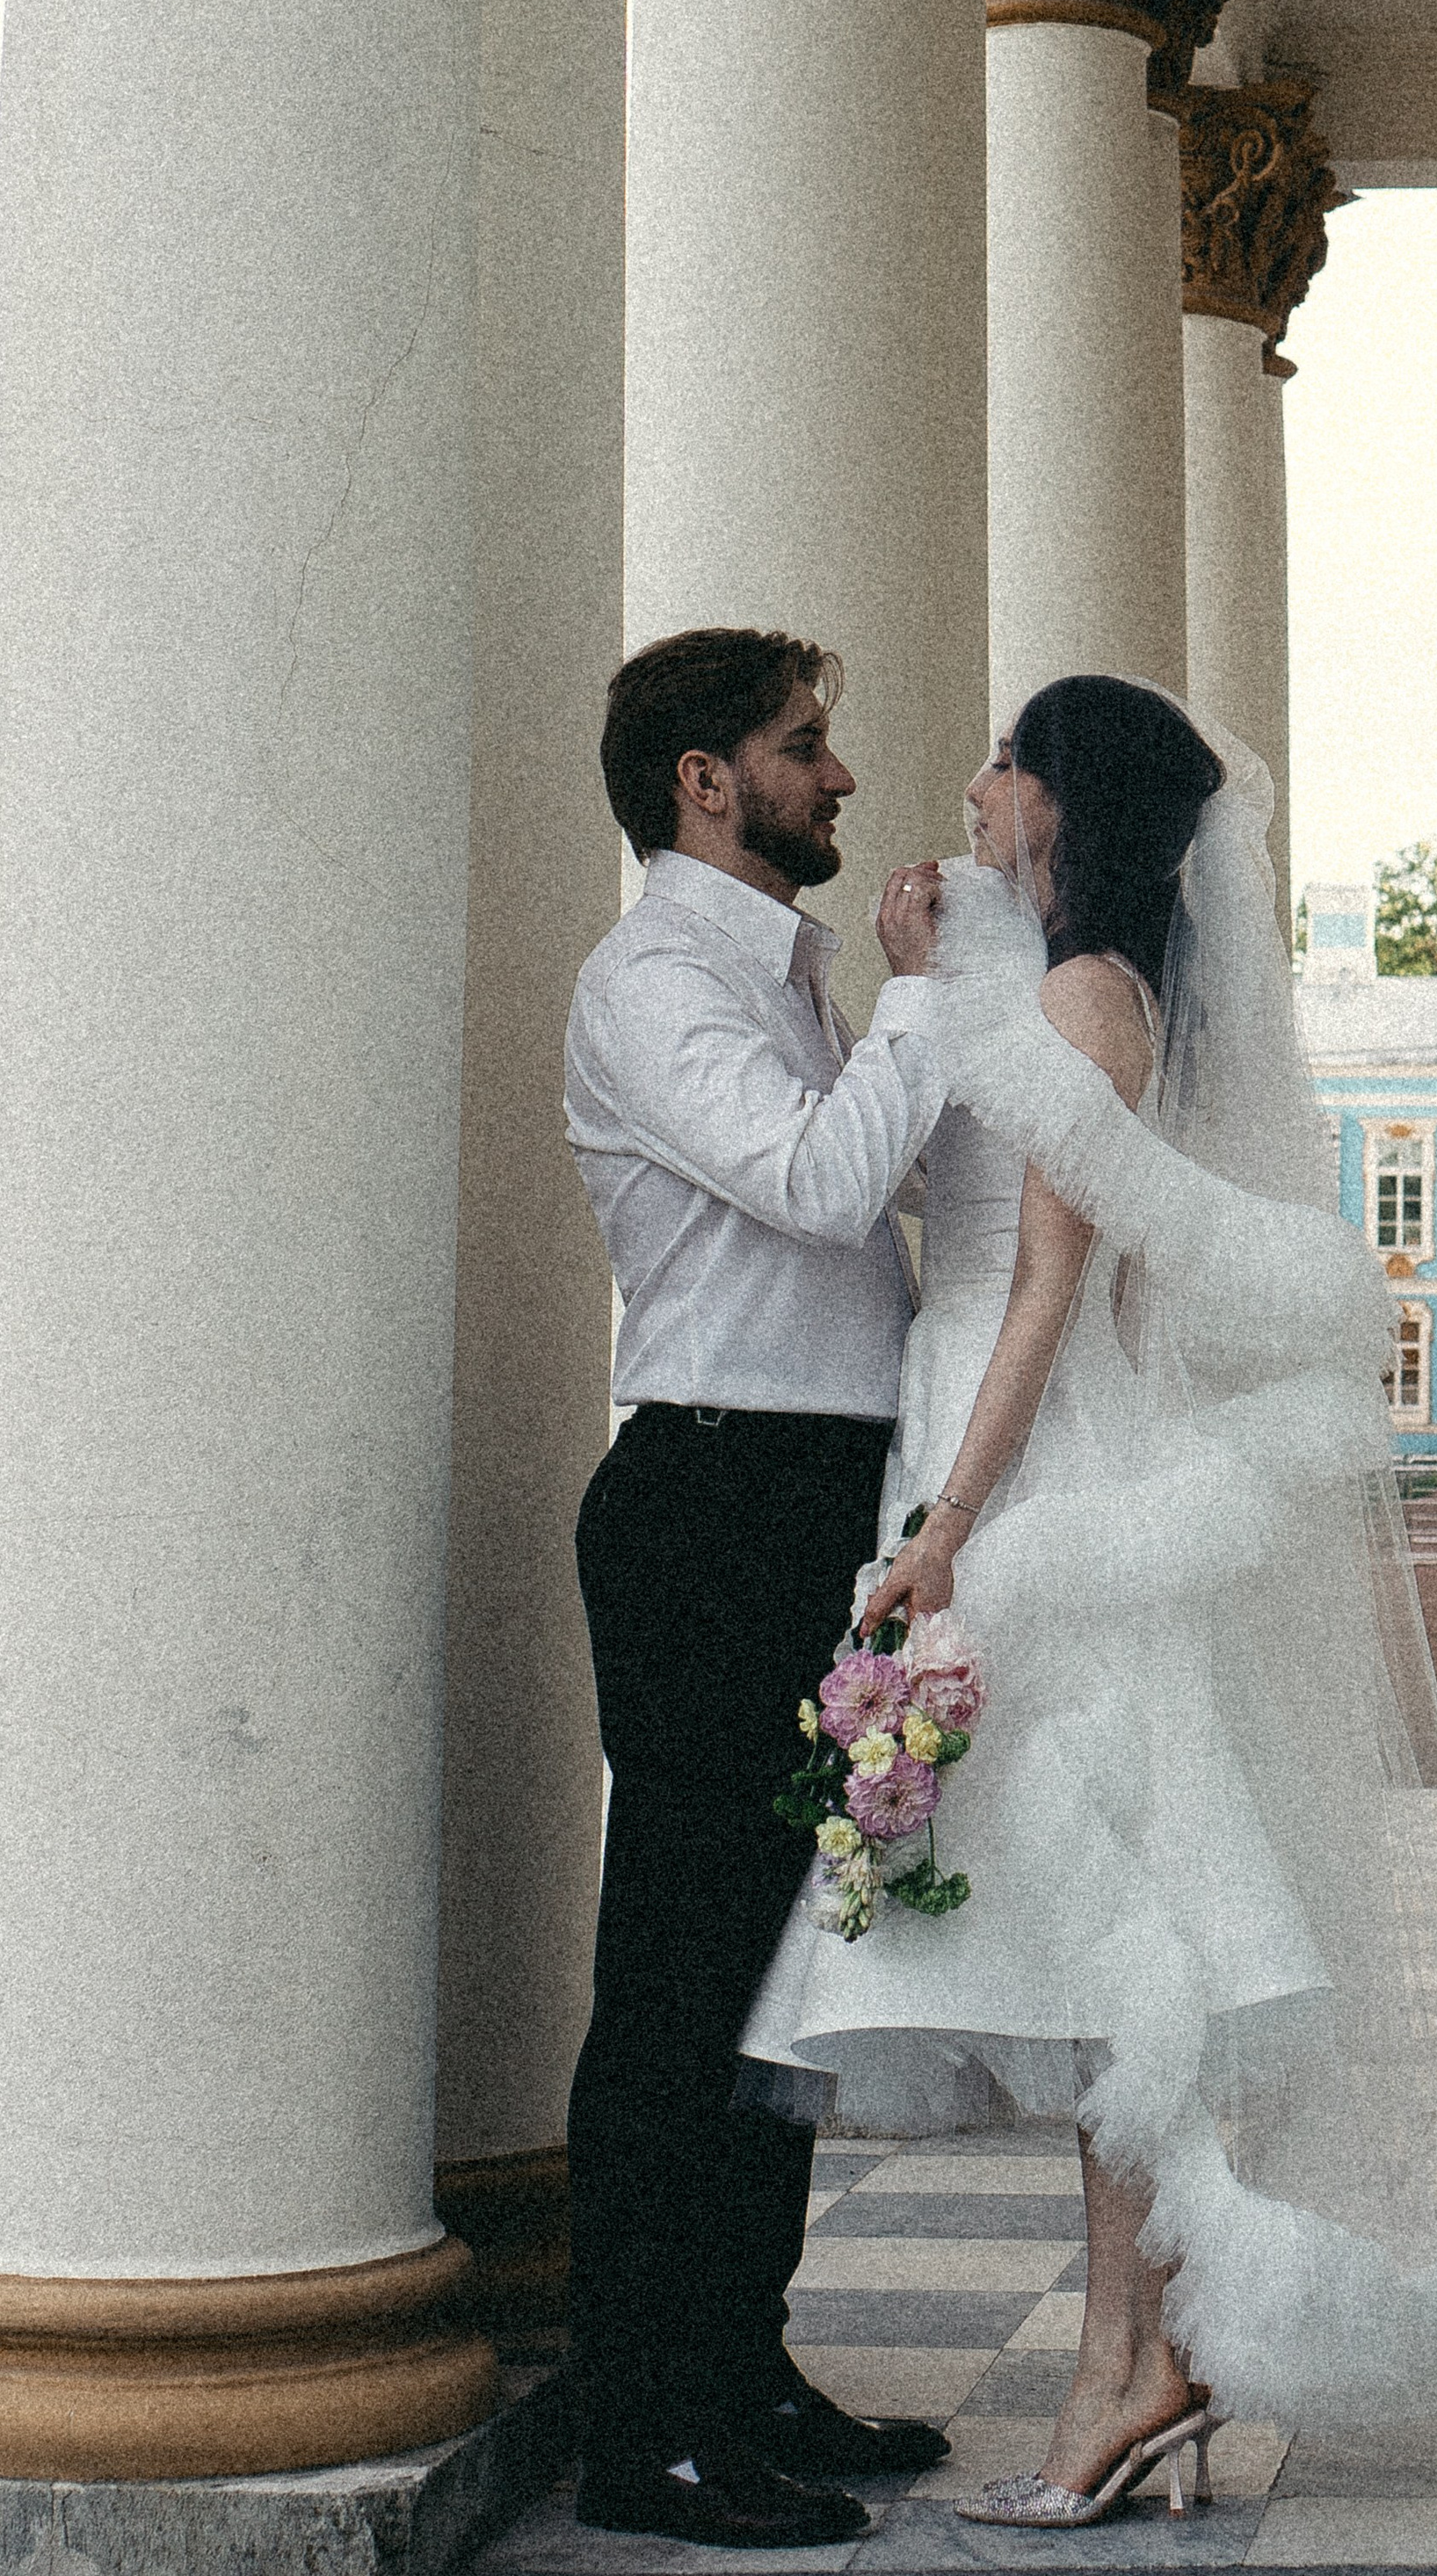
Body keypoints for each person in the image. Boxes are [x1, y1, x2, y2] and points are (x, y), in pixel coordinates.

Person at [744, 674, 1437, 2528]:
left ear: (1064, 804)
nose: (971, 784)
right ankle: (1139, 2362)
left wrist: (950, 1528)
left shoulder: (1080, 998)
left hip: (1036, 1459)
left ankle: (1127, 2370)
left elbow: (1047, 1292)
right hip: (1002, 1427)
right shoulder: (1063, 985)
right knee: (1100, 1948)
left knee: (1118, 1941)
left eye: (1006, 762)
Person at [561, 626, 956, 2548]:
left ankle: (741, 2363)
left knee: (779, 1967)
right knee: (680, 1973)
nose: (840, 775)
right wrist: (920, 1000)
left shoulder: (781, 973)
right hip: (711, 1501)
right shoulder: (652, 982)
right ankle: (643, 2428)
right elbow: (813, 1184)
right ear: (703, 782)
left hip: (807, 1498)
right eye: (805, 746)